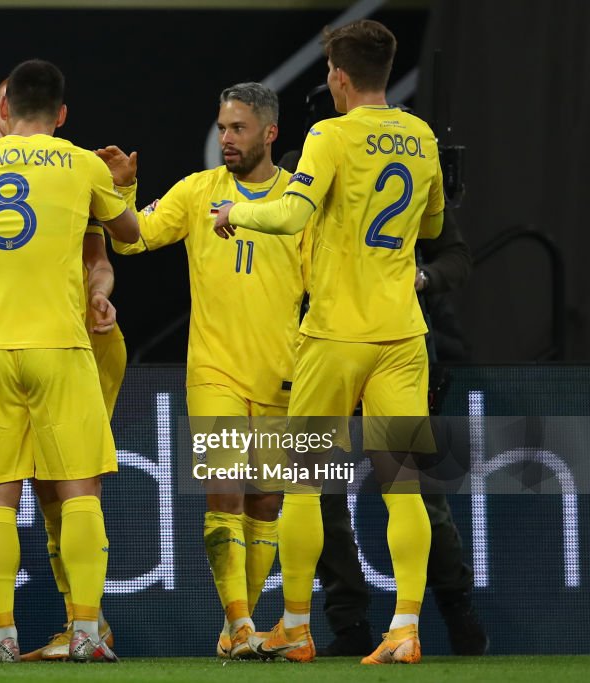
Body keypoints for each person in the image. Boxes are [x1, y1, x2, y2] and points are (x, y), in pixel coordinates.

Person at [215, 19, 444, 665]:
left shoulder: (329, 134)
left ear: (339, 77)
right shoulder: (421, 135)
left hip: (336, 336)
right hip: (401, 334)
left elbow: (289, 213)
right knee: (404, 486)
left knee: (302, 485)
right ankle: (404, 627)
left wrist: (237, 212)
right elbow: (430, 222)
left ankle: (293, 624)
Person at [281, 86, 485, 658]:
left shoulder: (351, 165)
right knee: (330, 491)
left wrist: (423, 280)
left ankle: (453, 607)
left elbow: (452, 252)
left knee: (410, 488)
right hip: (350, 341)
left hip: (382, 338)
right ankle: (353, 622)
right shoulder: (342, 170)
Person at [110, 82, 304, 659]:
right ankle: (241, 623)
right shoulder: (197, 192)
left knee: (267, 502)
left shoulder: (300, 203)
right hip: (213, 369)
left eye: (238, 128)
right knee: (224, 494)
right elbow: (135, 240)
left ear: (270, 133)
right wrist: (123, 189)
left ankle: (239, 628)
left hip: (282, 371)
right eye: (222, 127)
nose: (226, 138)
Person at [0, 59, 139, 663]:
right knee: (78, 489)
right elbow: (130, 234)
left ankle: (2, 637)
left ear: (3, 111)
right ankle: (87, 630)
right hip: (58, 345)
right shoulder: (84, 163)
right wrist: (120, 187)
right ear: (61, 115)